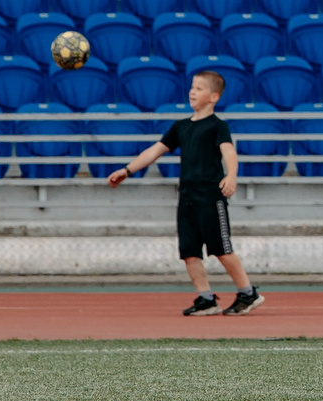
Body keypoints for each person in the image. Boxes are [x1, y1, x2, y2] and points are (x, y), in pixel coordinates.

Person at [107, 68, 263, 316]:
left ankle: (247, 292)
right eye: (192, 87)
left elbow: (229, 152)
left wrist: (231, 176)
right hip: (187, 198)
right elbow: (154, 151)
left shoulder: (217, 126)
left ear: (213, 97)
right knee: (189, 252)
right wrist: (127, 170)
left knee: (222, 249)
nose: (193, 91)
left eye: (199, 88)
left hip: (211, 197)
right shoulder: (180, 127)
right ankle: (206, 298)